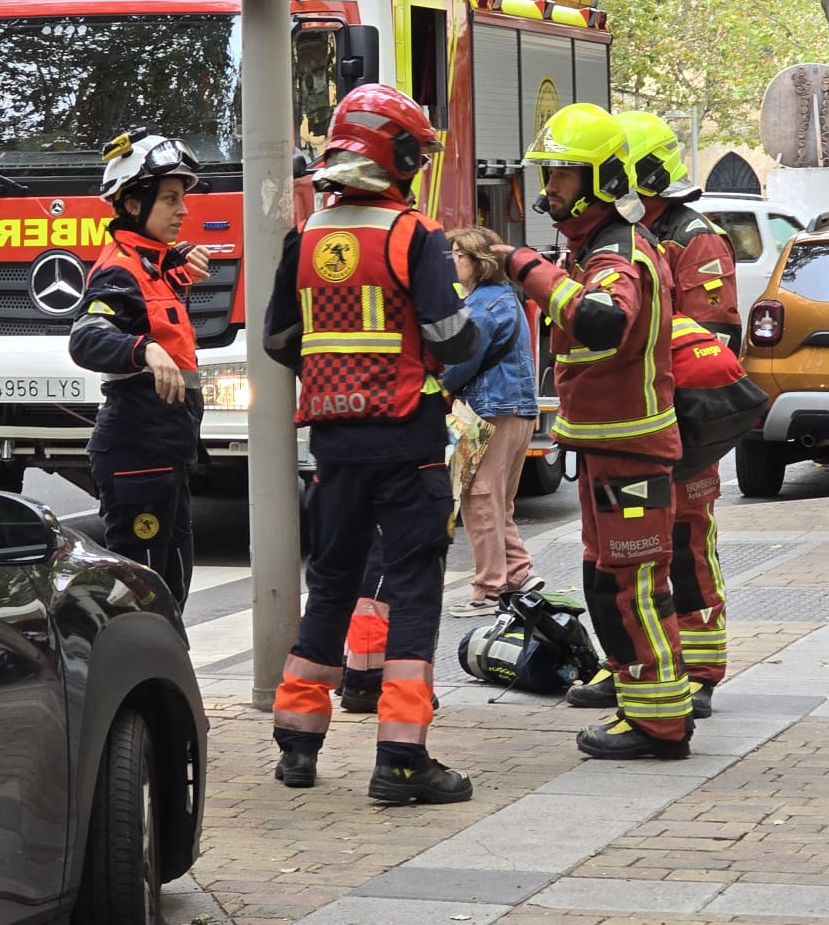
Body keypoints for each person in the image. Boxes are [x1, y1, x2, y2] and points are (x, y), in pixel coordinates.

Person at [263, 84, 480, 804]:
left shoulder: (307, 235)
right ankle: (402, 762)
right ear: (401, 157)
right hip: (407, 442)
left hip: (333, 447)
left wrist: (333, 377)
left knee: (330, 585)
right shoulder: (412, 236)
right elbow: (450, 338)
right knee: (412, 591)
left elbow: (279, 339)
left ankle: (297, 744)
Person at [492, 102, 694, 760]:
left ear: (603, 179)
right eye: (548, 173)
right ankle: (641, 706)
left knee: (633, 589)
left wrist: (526, 269)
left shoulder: (617, 254)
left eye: (563, 175)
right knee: (611, 584)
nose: (550, 188)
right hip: (609, 447)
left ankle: (660, 722)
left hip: (630, 449)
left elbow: (604, 320)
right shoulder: (595, 246)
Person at [566, 108, 738, 720]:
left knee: (688, 542)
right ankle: (636, 665)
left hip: (681, 419)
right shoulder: (609, 238)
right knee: (623, 556)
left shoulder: (696, 237)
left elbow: (712, 341)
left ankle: (699, 670)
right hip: (633, 418)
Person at [69, 130, 209, 611]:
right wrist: (144, 350)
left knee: (171, 582)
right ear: (132, 205)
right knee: (142, 596)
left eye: (182, 198)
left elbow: (155, 289)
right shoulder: (118, 271)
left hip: (164, 453)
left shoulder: (150, 263)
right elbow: (86, 337)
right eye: (170, 199)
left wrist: (176, 255)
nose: (182, 210)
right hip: (137, 453)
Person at [442, 225, 544, 616]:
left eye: (459, 255)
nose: (454, 261)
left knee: (479, 498)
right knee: (498, 501)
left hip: (489, 411)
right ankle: (518, 573)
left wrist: (433, 385)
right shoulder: (504, 298)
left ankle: (489, 590)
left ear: (479, 262)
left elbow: (460, 361)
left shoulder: (483, 306)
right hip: (515, 411)